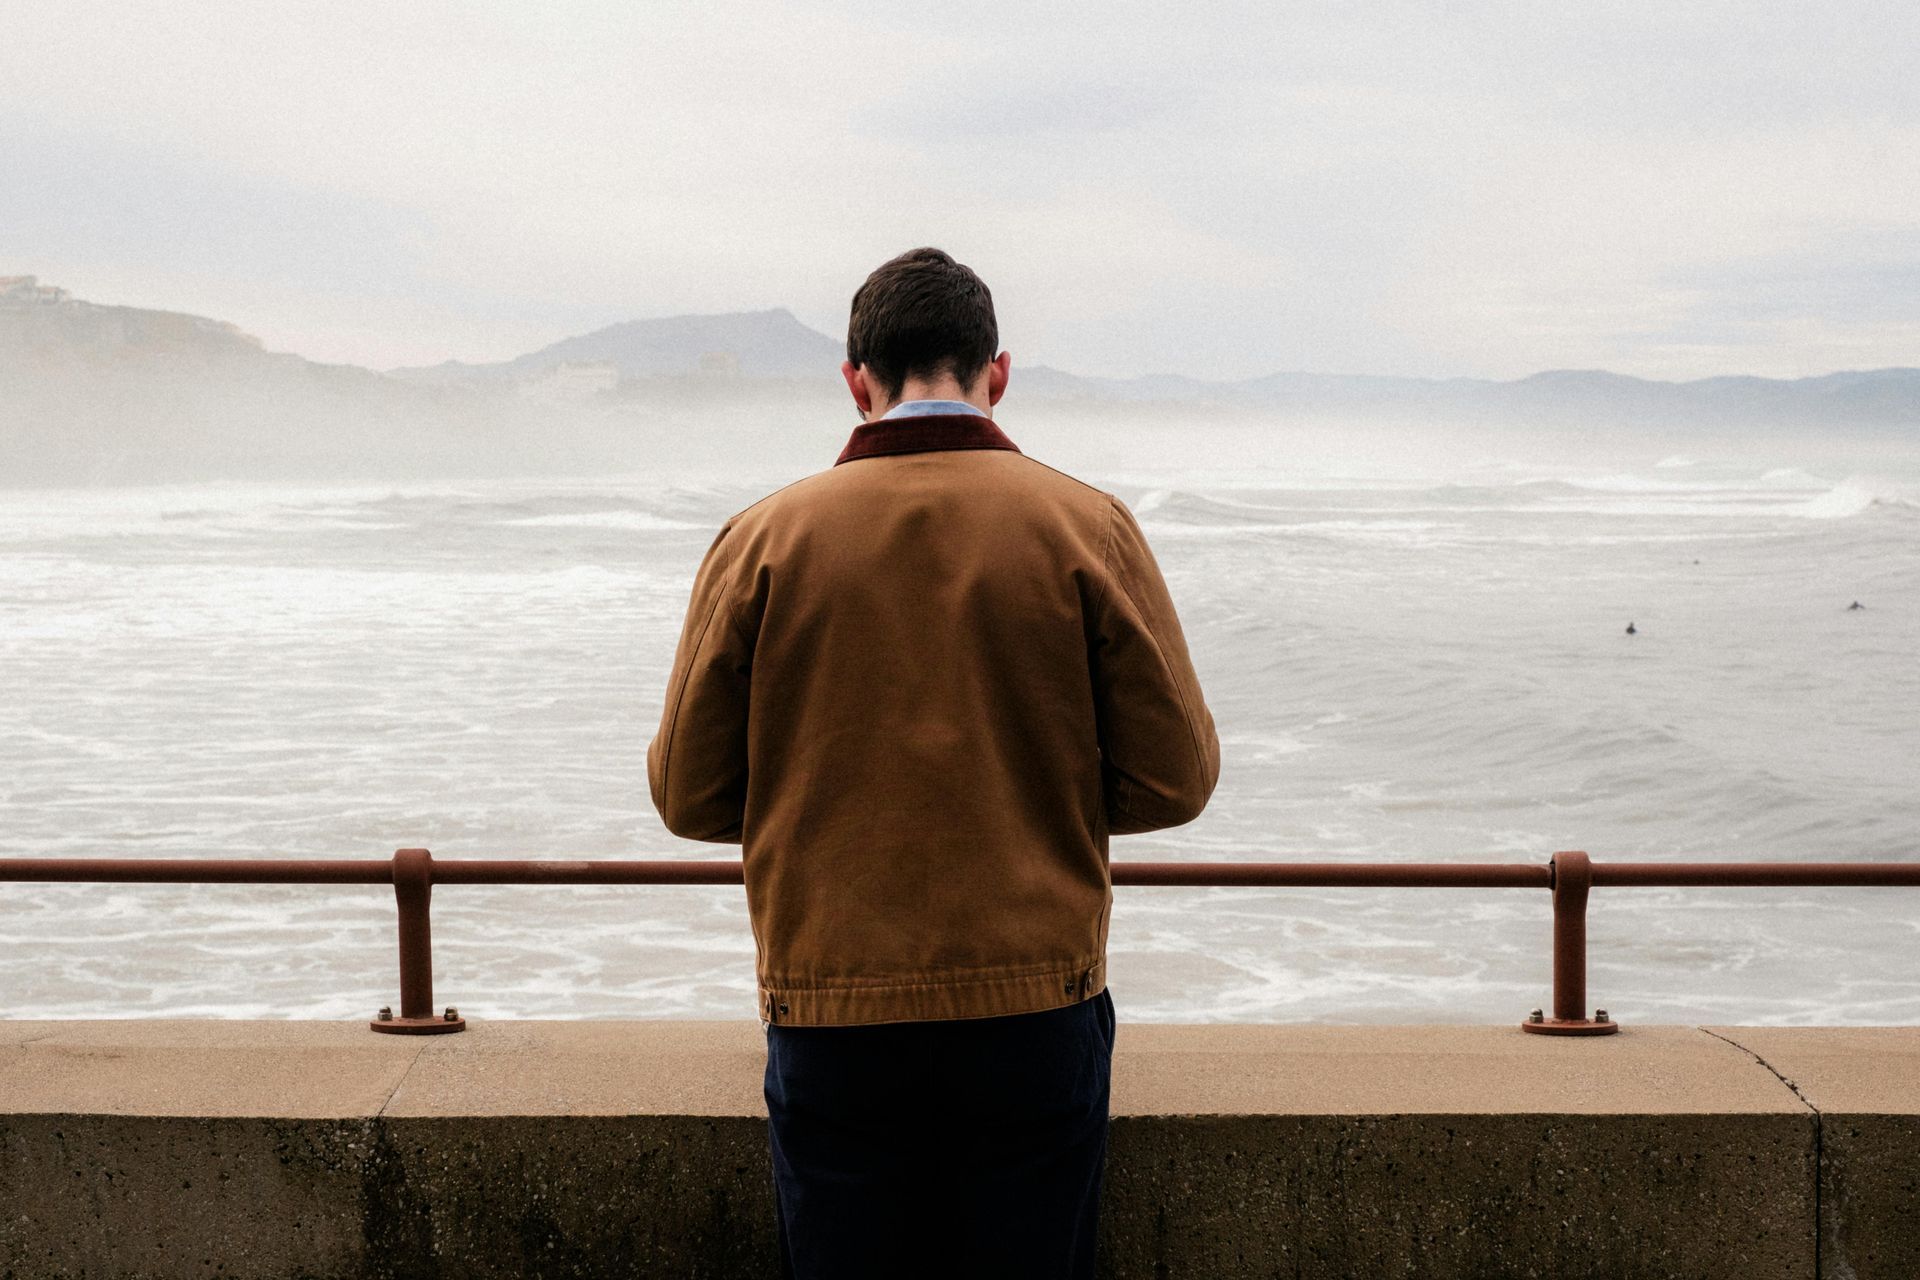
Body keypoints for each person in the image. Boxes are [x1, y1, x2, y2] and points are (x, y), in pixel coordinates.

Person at [647, 246, 1221, 1279]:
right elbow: (1175, 777)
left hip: (834, 1009)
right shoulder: (1086, 526)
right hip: (1034, 1008)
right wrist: (1030, 789)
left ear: (856, 379)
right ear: (996, 371)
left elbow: (688, 794)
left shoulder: (763, 538)